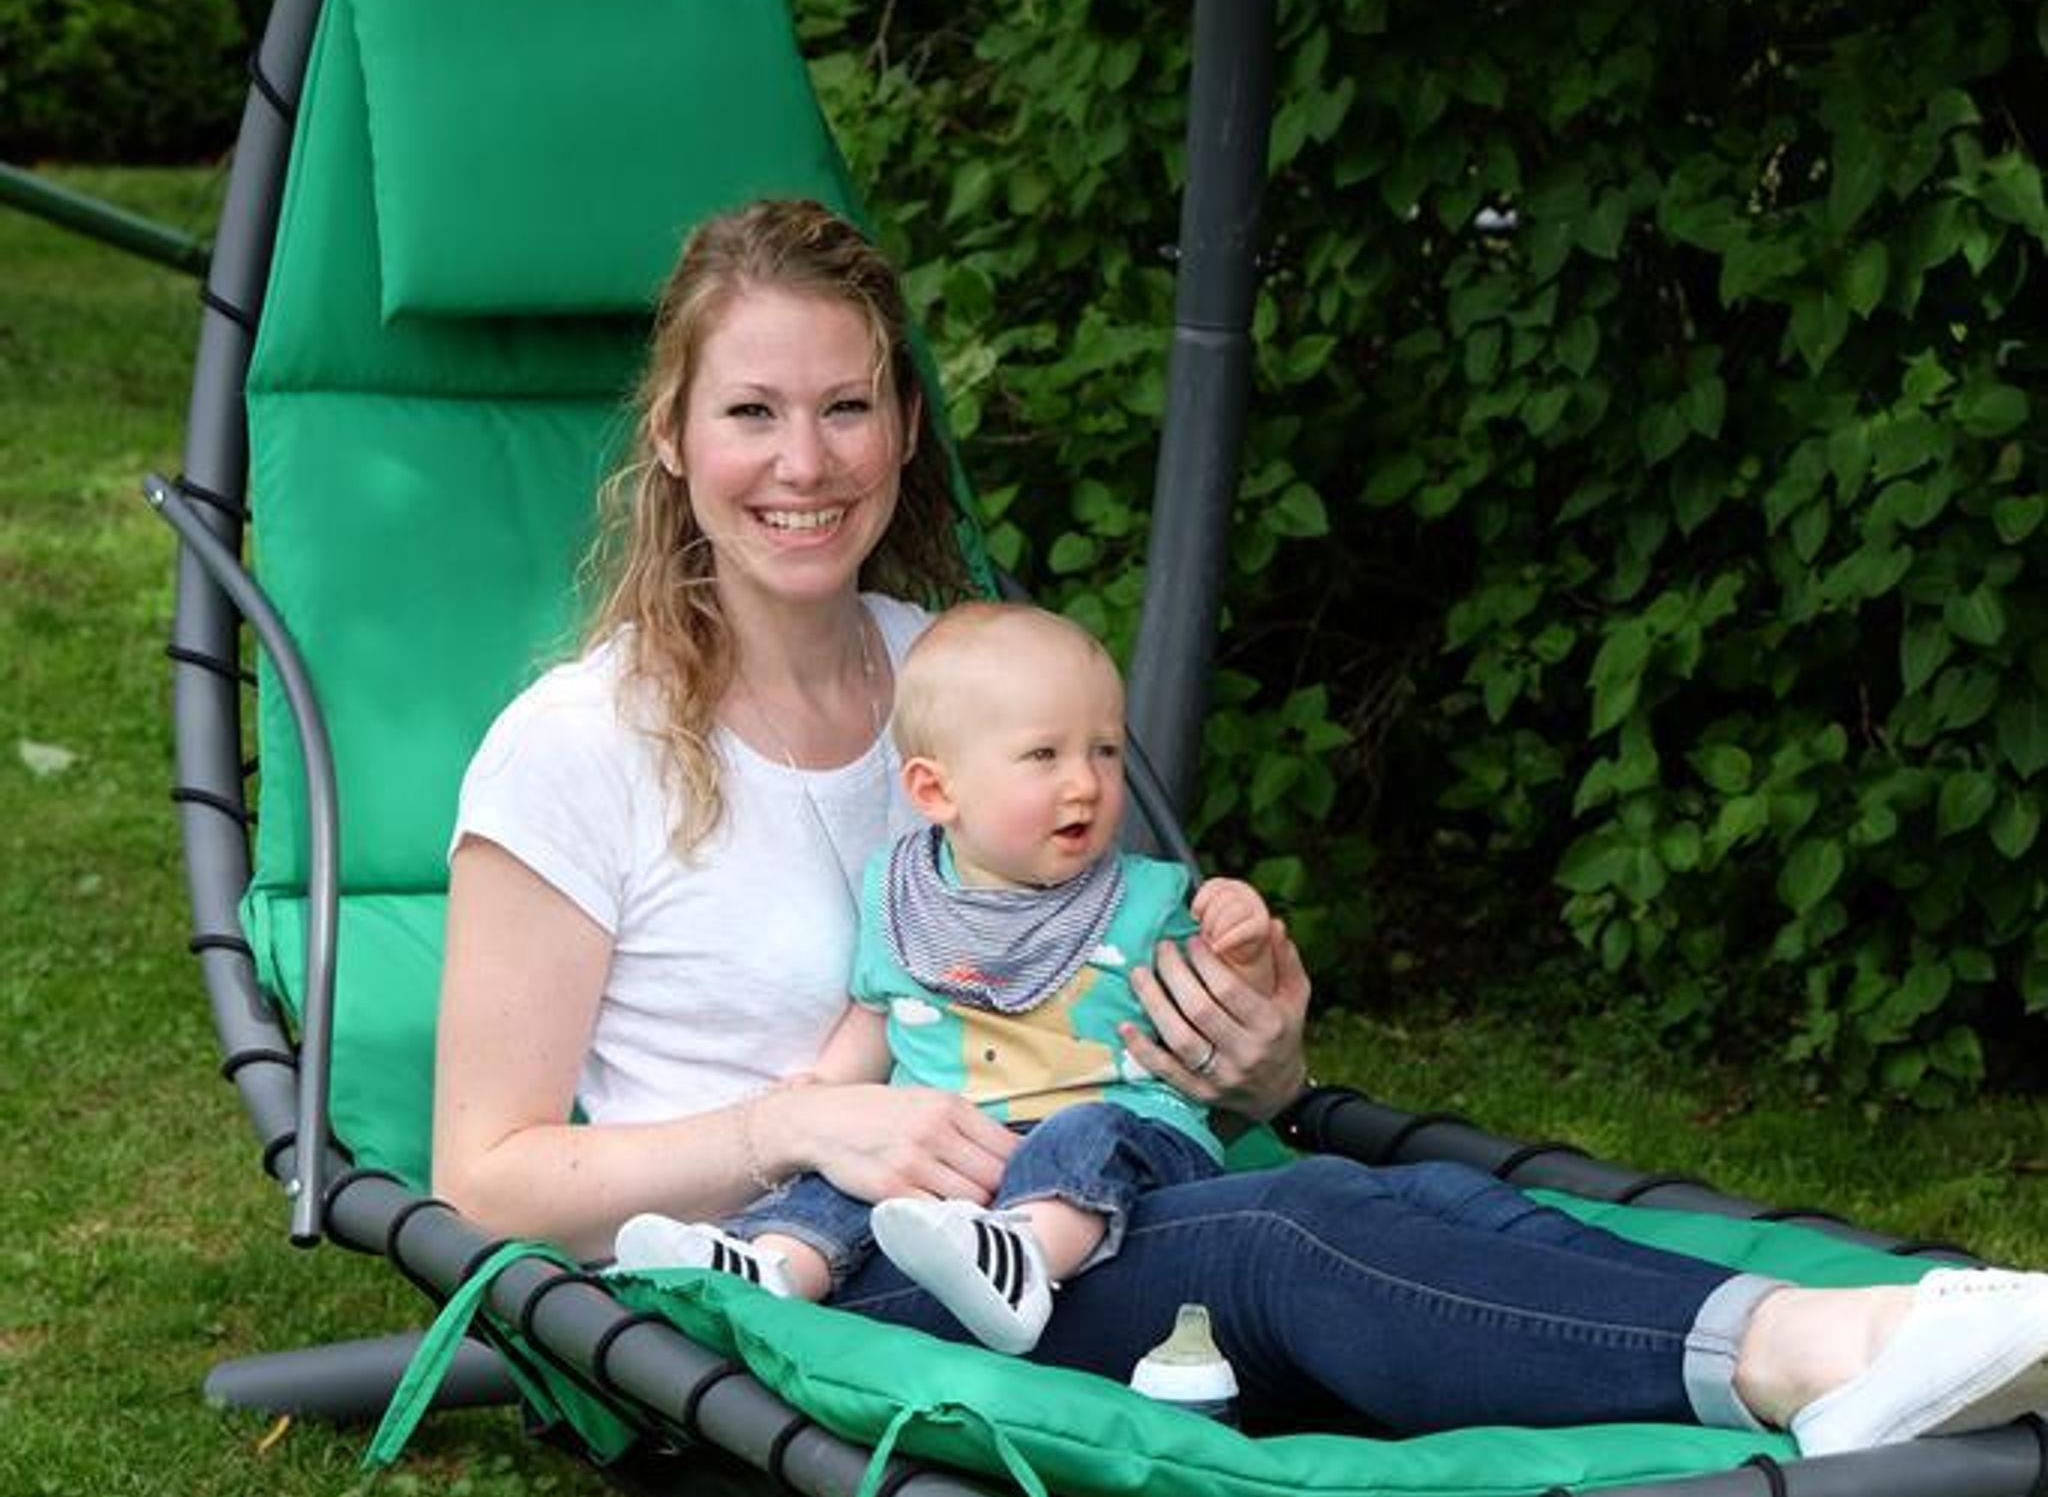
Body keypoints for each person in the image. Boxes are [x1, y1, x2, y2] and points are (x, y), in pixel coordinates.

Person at [435, 197, 2048, 1457]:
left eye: (847, 405)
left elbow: (1137, 1011)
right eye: (751, 411)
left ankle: (1864, 1323)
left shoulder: (972, 680)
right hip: (803, 1275)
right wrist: (801, 1131)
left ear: (906, 428)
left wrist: (1254, 1050)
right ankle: (1810, 1357)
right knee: (1290, 1234)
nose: (805, 461)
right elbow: (484, 1179)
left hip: (1053, 1207)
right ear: (671, 434)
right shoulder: (578, 745)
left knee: (1422, 1203)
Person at [611, 602, 1280, 1354]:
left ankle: (1022, 1258)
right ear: (935, 792)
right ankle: (767, 1267)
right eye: (1044, 756)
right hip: (958, 1150)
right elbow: (881, 1011)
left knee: (1084, 1137)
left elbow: (1222, 1009)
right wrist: (824, 1090)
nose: (1085, 783)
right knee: (849, 1175)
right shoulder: (902, 896)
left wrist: (1241, 948)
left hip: (1126, 1133)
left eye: (1104, 751)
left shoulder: (1144, 900)